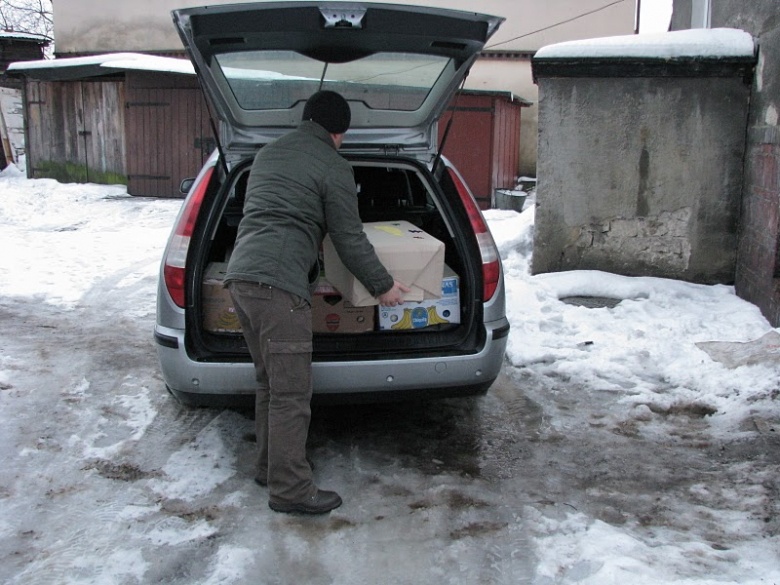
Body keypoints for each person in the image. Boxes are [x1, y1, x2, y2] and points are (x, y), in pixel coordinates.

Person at [224, 90, 409, 515]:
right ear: (339, 132)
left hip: (241, 279)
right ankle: (290, 490)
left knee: (269, 383)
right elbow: (348, 237)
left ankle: (268, 468)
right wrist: (383, 286)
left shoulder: (267, 155)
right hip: (279, 287)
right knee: (291, 393)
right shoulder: (333, 165)